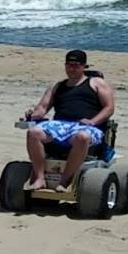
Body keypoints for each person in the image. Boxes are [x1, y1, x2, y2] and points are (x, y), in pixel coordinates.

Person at [21, 48, 114, 191]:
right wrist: (32, 114)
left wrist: (93, 121)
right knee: (33, 132)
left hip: (87, 126)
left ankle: (65, 181)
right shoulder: (57, 86)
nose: (71, 68)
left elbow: (109, 108)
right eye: (69, 65)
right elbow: (42, 108)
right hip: (60, 125)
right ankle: (39, 178)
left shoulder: (96, 83)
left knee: (82, 137)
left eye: (76, 65)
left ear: (84, 66)